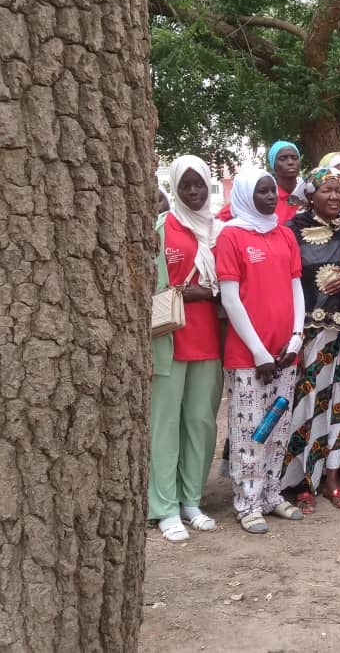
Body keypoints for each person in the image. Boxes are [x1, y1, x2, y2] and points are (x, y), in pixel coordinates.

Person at [215, 168, 306, 533]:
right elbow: (230, 298)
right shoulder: (232, 236)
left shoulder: (284, 235)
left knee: (278, 427)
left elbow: (296, 286)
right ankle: (247, 502)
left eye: (272, 192)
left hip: (285, 353)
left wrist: (297, 336)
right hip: (250, 357)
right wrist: (258, 351)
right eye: (262, 192)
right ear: (245, 195)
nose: (271, 197)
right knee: (249, 430)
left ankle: (271, 493)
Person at [280, 167, 340, 512]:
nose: (334, 196)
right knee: (304, 407)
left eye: (338, 190)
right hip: (306, 336)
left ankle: (331, 477)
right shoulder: (291, 231)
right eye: (326, 190)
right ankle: (301, 482)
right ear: (311, 195)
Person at [148, 156, 224, 542]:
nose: (193, 192)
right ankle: (163, 506)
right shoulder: (164, 227)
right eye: (185, 186)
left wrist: (209, 293)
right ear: (174, 188)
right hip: (170, 336)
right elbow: (154, 283)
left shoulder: (219, 230)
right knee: (165, 423)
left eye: (198, 184)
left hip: (210, 337)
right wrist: (185, 292)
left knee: (200, 420)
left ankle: (191, 498)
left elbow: (231, 285)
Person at [217, 141, 302, 224]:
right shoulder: (262, 196)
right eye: (283, 159)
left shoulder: (308, 192)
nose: (290, 162)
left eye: (294, 158)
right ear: (273, 164)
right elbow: (219, 220)